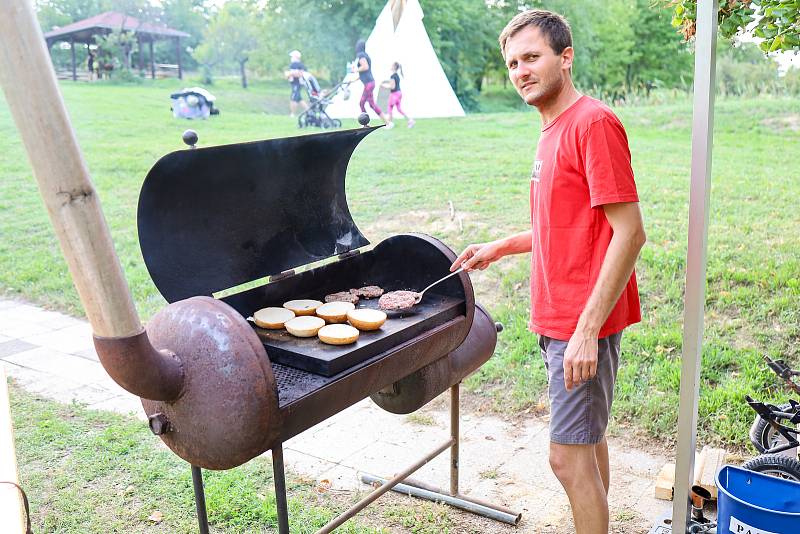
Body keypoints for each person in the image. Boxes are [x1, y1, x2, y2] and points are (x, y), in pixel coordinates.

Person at [451, 9, 645, 534]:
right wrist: (500, 246)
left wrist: (585, 332)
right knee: (588, 441)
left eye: (532, 57)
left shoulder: (592, 124)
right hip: (558, 315)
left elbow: (629, 233)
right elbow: (570, 227)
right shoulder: (552, 129)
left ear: (565, 57)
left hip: (580, 321)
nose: (521, 71)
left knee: (565, 457)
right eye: (513, 62)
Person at [353, 39, 391, 126]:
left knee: (361, 103)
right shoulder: (366, 55)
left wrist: (355, 70)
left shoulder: (361, 55)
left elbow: (365, 67)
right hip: (370, 82)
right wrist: (353, 80)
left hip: (368, 84)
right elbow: (364, 73)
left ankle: (365, 124)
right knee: (372, 105)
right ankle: (387, 123)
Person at [381, 62, 414, 128]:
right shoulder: (397, 75)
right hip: (399, 93)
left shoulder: (392, 76)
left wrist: (383, 86)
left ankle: (389, 124)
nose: (390, 66)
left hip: (394, 94)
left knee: (389, 108)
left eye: (391, 65)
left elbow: (392, 87)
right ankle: (410, 120)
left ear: (394, 67)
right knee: (399, 109)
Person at [285, 50, 309, 117]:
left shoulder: (295, 65)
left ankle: (292, 114)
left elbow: (299, 74)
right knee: (299, 99)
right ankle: (309, 110)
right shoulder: (301, 65)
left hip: (297, 83)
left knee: (293, 98)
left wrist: (289, 74)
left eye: (292, 57)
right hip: (298, 84)